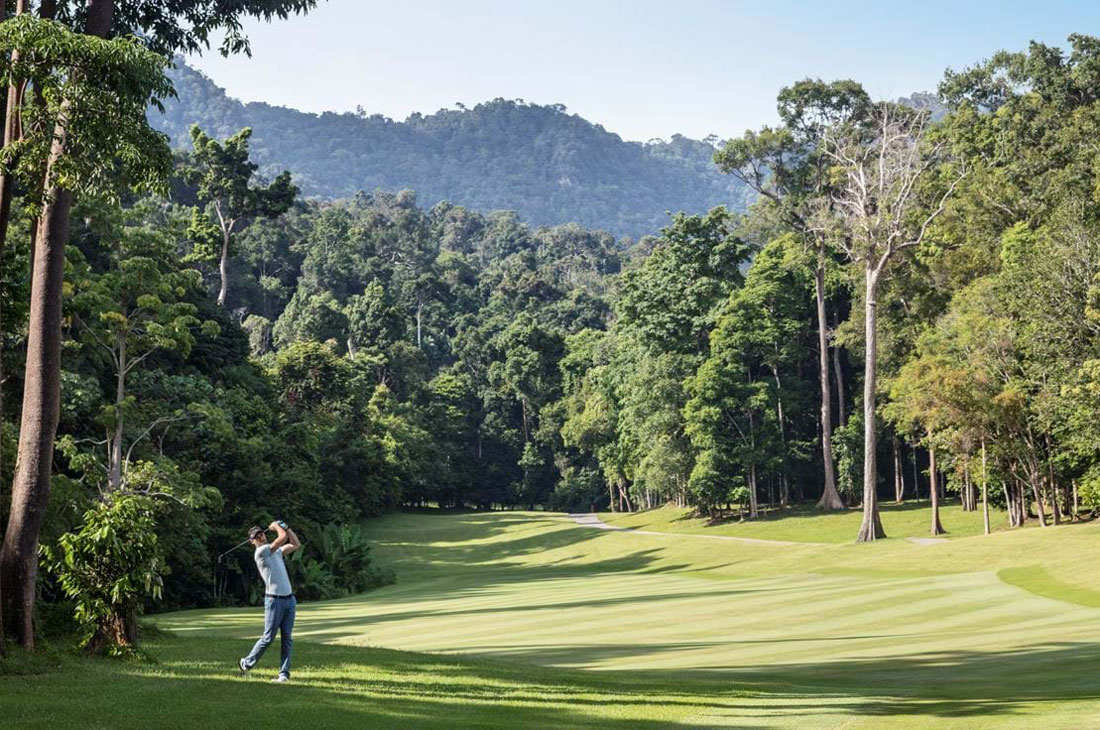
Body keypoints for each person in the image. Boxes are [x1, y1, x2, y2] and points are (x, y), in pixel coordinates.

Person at [238, 520, 302, 682]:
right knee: (268, 637)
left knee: (287, 638)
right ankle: (246, 663)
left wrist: (287, 527)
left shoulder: (276, 552)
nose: (260, 537)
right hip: (274, 601)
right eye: (256, 537)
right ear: (252, 541)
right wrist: (278, 527)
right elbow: (281, 538)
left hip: (289, 600)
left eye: (261, 534)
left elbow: (295, 543)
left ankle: (284, 674)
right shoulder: (261, 552)